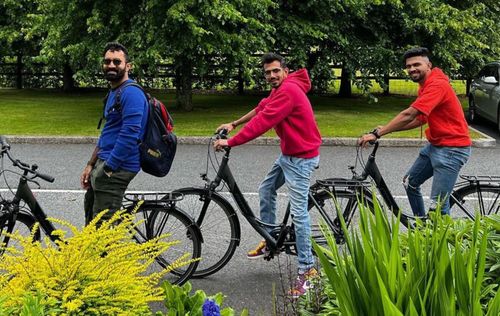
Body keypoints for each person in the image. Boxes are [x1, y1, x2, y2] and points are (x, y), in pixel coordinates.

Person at [214, 53, 322, 297]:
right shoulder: (280, 89)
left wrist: (232, 141)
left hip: (301, 158)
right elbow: (260, 108)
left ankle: (308, 271)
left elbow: (263, 122)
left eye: (275, 71)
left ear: (285, 70)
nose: (271, 76)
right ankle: (272, 239)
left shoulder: (289, 91)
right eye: (267, 73)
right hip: (289, 154)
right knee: (266, 188)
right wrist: (233, 123)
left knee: (299, 214)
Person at [358, 47, 471, 216]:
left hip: (452, 150)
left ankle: (443, 240)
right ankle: (421, 226)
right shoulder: (425, 85)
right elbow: (420, 119)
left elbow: (410, 113)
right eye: (408, 66)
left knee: (437, 206)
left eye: (416, 64)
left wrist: (377, 134)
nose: (412, 69)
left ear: (428, 65)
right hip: (436, 145)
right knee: (410, 182)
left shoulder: (437, 85)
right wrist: (387, 129)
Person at [80, 42, 148, 225]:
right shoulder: (114, 91)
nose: (111, 65)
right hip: (105, 162)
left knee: (103, 227)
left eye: (117, 62)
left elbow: (129, 135)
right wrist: (91, 164)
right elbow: (107, 133)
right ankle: (91, 254)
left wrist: (109, 168)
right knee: (91, 215)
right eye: (107, 61)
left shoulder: (131, 93)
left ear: (128, 66)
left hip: (118, 166)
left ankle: (107, 254)